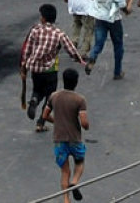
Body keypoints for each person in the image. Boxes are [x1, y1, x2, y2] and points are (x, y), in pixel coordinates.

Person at [21, 4, 84, 132]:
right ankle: (40, 122)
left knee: (37, 90)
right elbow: (70, 48)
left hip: (35, 69)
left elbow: (27, 50)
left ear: (43, 18)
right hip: (50, 70)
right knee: (50, 97)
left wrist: (24, 66)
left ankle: (34, 100)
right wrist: (80, 60)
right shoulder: (58, 33)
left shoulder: (35, 30)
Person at [41, 68, 89, 203]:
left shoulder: (54, 96)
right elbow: (84, 123)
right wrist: (86, 126)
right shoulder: (80, 100)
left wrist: (56, 121)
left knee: (64, 171)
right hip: (74, 139)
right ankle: (74, 183)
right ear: (76, 82)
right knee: (79, 163)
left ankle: (66, 199)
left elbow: (45, 115)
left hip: (59, 139)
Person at [85, 0, 128, 79]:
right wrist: (126, 10)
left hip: (99, 15)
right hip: (114, 17)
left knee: (99, 42)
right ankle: (117, 71)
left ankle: (93, 56)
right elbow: (121, 3)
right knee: (118, 45)